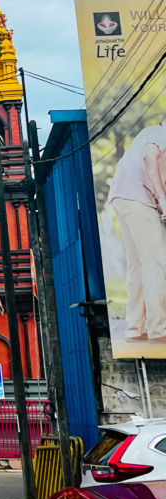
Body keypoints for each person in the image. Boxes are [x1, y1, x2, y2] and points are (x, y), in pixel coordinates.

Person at [108, 117, 166, 342]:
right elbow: (148, 158)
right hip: (139, 198)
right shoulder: (158, 133)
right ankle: (159, 329)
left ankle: (135, 328)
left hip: (122, 197)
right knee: (156, 262)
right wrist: (161, 199)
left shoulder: (148, 133)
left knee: (138, 265)